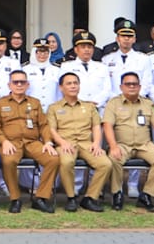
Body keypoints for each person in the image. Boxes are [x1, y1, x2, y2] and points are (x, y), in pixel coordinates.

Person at [101, 73, 154, 213]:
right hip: (121, 144)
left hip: (144, 144)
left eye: (134, 84)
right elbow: (107, 126)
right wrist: (113, 146)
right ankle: (117, 194)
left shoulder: (150, 104)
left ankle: (147, 195)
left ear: (139, 87)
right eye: (128, 84)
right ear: (121, 87)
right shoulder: (113, 103)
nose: (131, 87)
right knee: (114, 158)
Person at [43, 72, 110, 212]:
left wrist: (97, 143)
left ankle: (90, 198)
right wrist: (61, 143)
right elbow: (52, 129)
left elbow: (96, 127)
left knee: (105, 164)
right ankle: (71, 197)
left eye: (75, 83)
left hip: (87, 143)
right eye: (69, 83)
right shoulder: (54, 108)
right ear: (61, 88)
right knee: (66, 162)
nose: (73, 86)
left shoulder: (89, 106)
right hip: (65, 143)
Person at [0, 69, 55, 213]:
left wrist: (47, 142)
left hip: (32, 142)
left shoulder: (35, 103)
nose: (19, 84)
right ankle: (15, 199)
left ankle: (40, 197)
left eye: (22, 82)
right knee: (8, 161)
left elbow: (44, 125)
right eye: (16, 82)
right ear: (9, 85)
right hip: (11, 143)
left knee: (53, 159)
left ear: (27, 84)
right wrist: (3, 141)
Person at [58, 31, 111, 110]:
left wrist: (95, 103)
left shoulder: (102, 67)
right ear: (76, 49)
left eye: (89, 47)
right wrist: (82, 103)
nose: (87, 50)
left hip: (98, 108)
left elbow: (107, 89)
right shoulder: (66, 67)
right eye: (83, 47)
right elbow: (64, 88)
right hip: (75, 108)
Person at [23, 38, 60, 107]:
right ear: (34, 52)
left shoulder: (57, 70)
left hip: (52, 109)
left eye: (45, 52)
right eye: (39, 52)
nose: (42, 55)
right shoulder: (25, 69)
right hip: (31, 109)